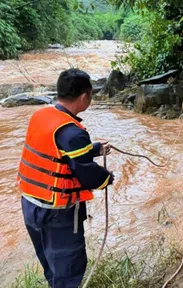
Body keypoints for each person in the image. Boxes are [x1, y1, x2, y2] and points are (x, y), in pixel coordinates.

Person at [17, 68, 114, 287]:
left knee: (48, 260)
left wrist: (95, 149)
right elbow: (89, 175)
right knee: (69, 266)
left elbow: (57, 153)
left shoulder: (41, 116)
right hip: (58, 213)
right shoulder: (74, 132)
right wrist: (108, 178)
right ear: (84, 97)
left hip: (31, 203)